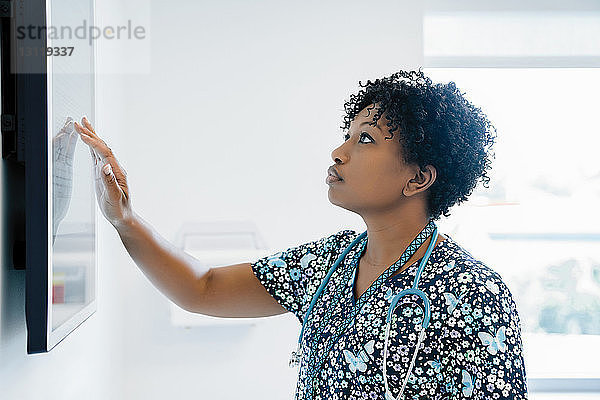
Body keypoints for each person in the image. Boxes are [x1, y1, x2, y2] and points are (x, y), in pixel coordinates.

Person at [74, 68, 528, 400]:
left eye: (365, 139)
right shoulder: (331, 264)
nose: (338, 151)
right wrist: (124, 219)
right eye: (347, 135)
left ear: (418, 179)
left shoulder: (473, 293)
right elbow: (204, 289)